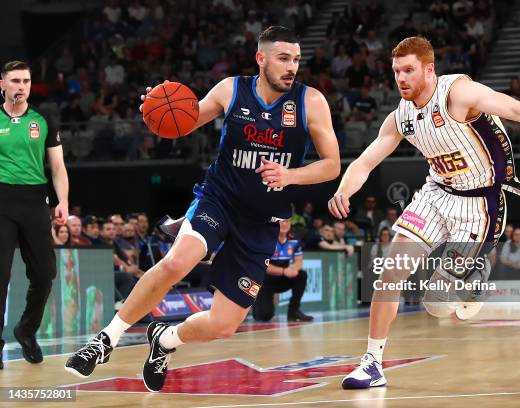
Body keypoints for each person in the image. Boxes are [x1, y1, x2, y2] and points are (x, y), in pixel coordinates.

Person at [65, 26, 340, 392]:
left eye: (296, 60)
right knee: (177, 262)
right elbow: (182, 122)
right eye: (283, 59)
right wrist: (156, 109)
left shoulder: (311, 102)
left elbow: (332, 164)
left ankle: (164, 340)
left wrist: (289, 175)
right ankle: (104, 341)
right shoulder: (231, 90)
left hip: (260, 222)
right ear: (261, 58)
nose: (292, 67)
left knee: (224, 326)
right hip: (218, 199)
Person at [327, 36, 520, 389]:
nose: (401, 78)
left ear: (429, 69)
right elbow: (365, 161)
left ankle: (474, 280)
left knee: (437, 305)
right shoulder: (402, 115)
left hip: (480, 204)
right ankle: (372, 363)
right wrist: (343, 190)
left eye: (409, 70)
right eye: (396, 71)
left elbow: (515, 109)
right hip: (436, 193)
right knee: (390, 271)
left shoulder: (458, 94)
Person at [0, 61, 69, 369]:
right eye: (15, 80)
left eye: (26, 81)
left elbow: (57, 166)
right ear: (2, 84)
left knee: (44, 274)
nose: (21, 86)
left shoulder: (43, 119)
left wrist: (63, 201)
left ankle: (26, 330)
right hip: (1, 200)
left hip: (34, 201)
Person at [252, 219, 313, 322]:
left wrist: (294, 268)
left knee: (301, 275)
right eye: (282, 221)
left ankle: (294, 311)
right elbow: (262, 265)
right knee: (264, 316)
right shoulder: (267, 239)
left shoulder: (294, 240)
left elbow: (299, 261)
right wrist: (284, 271)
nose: (285, 224)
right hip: (265, 281)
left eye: (287, 221)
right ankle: (257, 305)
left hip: (282, 280)